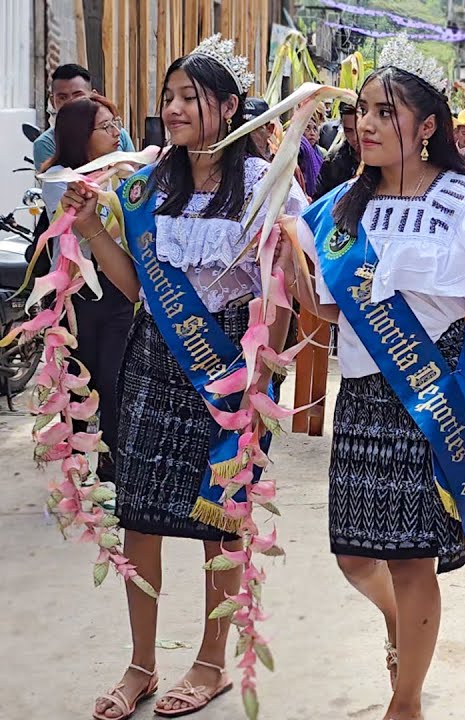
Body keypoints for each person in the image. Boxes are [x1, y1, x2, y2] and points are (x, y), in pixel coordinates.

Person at [282, 38, 465, 720]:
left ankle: (406, 700)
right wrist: (289, 263)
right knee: (355, 558)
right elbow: (323, 310)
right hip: (362, 400)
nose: (365, 123)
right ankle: (402, 631)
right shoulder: (340, 207)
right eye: (361, 109)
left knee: (413, 561)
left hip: (434, 405)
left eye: (384, 112)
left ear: (427, 127)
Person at [59, 36, 304, 719]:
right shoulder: (147, 184)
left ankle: (209, 662)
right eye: (168, 96)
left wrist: (262, 388)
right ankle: (140, 664)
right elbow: (140, 286)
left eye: (188, 97)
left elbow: (276, 294)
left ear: (229, 108)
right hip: (152, 356)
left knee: (220, 517)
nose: (171, 108)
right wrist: (89, 224)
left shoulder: (264, 184)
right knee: (139, 512)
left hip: (229, 362)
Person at [39, 95, 138, 499]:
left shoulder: (123, 174)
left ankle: (112, 475)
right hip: (75, 302)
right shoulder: (59, 178)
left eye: (117, 124)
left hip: (116, 294)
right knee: (80, 386)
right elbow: (85, 233)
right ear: (82, 134)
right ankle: (78, 472)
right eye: (107, 127)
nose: (118, 134)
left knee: (115, 384)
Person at [33, 64, 137, 170]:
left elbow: (134, 178)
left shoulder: (118, 134)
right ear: (52, 102)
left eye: (78, 96)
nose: (71, 102)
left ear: (93, 97)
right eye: (62, 97)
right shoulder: (45, 145)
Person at [317, 102, 362, 199]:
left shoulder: (387, 161)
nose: (355, 137)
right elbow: (321, 199)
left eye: (359, 129)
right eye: (348, 131)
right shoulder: (333, 161)